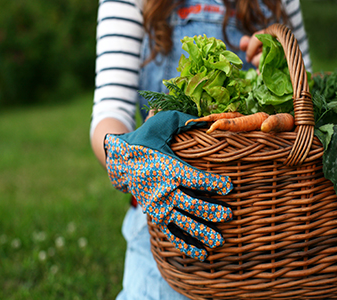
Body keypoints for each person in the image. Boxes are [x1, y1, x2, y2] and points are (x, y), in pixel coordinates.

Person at [90, 0, 311, 299]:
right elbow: (110, 111)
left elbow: (306, 99)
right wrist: (125, 157)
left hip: (272, 227)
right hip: (168, 222)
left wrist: (276, 72)